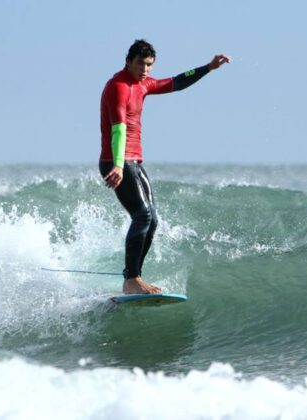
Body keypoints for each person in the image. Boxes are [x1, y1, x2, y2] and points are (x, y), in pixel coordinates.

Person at [99, 39, 230, 295]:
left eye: (149, 65)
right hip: (117, 161)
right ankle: (131, 281)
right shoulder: (119, 86)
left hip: (133, 161)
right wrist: (117, 164)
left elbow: (177, 81)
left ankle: (134, 277)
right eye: (140, 64)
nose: (145, 70)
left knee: (153, 220)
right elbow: (118, 128)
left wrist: (209, 67)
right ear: (128, 61)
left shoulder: (143, 84)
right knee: (142, 216)